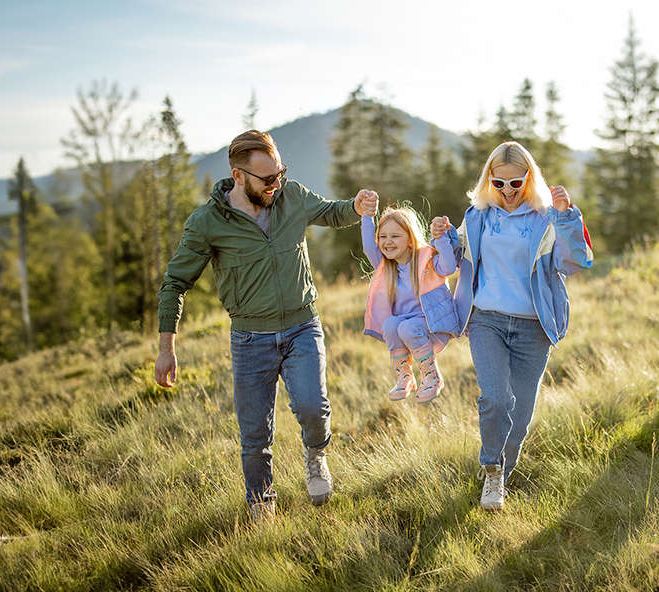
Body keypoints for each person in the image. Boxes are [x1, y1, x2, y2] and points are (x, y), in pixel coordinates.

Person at [154, 129, 379, 521]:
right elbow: (175, 283)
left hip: (301, 326)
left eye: (280, 173)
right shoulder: (207, 223)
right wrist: (166, 348)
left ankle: (315, 455)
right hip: (249, 339)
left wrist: (357, 206)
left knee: (313, 408)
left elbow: (330, 211)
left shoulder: (290, 195)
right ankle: (261, 502)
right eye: (267, 178)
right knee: (255, 434)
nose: (277, 183)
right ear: (238, 176)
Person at [444, 140, 593, 511]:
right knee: (496, 399)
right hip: (486, 321)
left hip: (533, 328)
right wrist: (440, 236)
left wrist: (567, 216)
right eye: (499, 184)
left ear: (530, 179)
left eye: (516, 183)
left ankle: (503, 471)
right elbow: (449, 262)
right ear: (488, 181)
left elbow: (576, 262)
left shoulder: (548, 217)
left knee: (521, 416)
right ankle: (491, 469)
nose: (508, 191)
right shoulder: (477, 216)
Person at [360, 206, 460, 403]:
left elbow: (449, 267)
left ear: (410, 239)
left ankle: (432, 376)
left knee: (407, 327)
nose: (388, 242)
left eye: (395, 236)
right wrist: (367, 216)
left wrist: (441, 239)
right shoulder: (386, 267)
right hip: (408, 330)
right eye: (383, 237)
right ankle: (405, 376)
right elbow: (368, 248)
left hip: (434, 327)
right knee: (389, 324)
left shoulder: (427, 260)